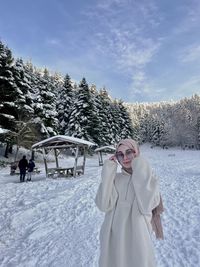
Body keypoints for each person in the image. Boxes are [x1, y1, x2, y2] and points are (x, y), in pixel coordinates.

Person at [95, 139, 164, 267]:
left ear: (137, 153)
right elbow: (103, 205)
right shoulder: (115, 179)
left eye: (129, 152)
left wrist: (139, 165)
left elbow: (146, 206)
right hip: (113, 241)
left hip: (138, 242)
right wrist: (108, 173)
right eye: (120, 154)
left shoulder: (148, 179)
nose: (125, 158)